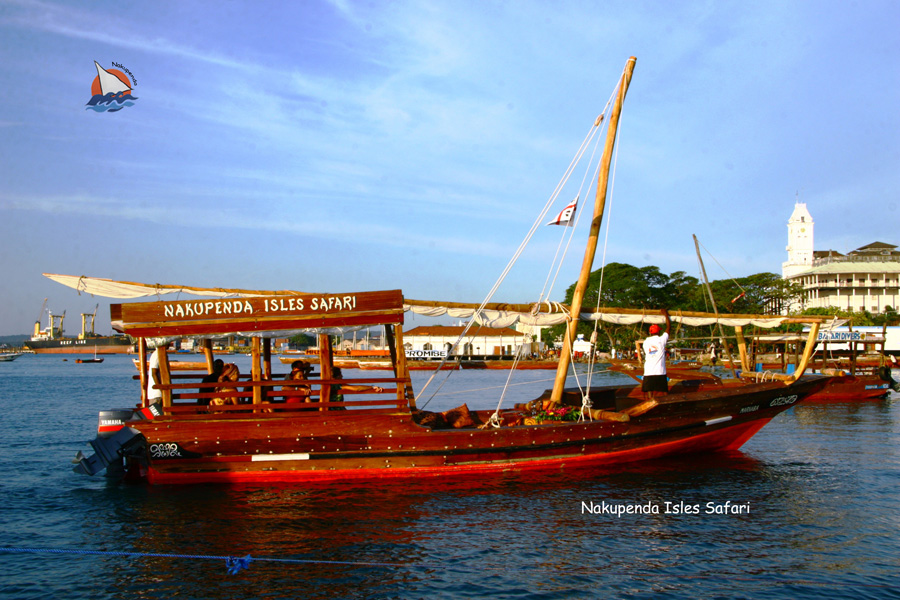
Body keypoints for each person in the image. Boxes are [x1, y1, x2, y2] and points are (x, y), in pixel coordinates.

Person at [641, 309, 671, 400]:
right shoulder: (661, 340)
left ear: (650, 332)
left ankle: (650, 402)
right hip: (660, 371)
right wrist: (666, 315)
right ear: (658, 332)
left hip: (648, 371)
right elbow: (669, 327)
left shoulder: (645, 342)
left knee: (650, 390)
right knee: (664, 390)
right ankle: (667, 403)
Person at [147, 341, 172, 405]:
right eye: (168, 342)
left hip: (158, 392)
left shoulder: (161, 354)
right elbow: (154, 373)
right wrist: (161, 390)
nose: (169, 344)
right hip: (157, 394)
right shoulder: (158, 354)